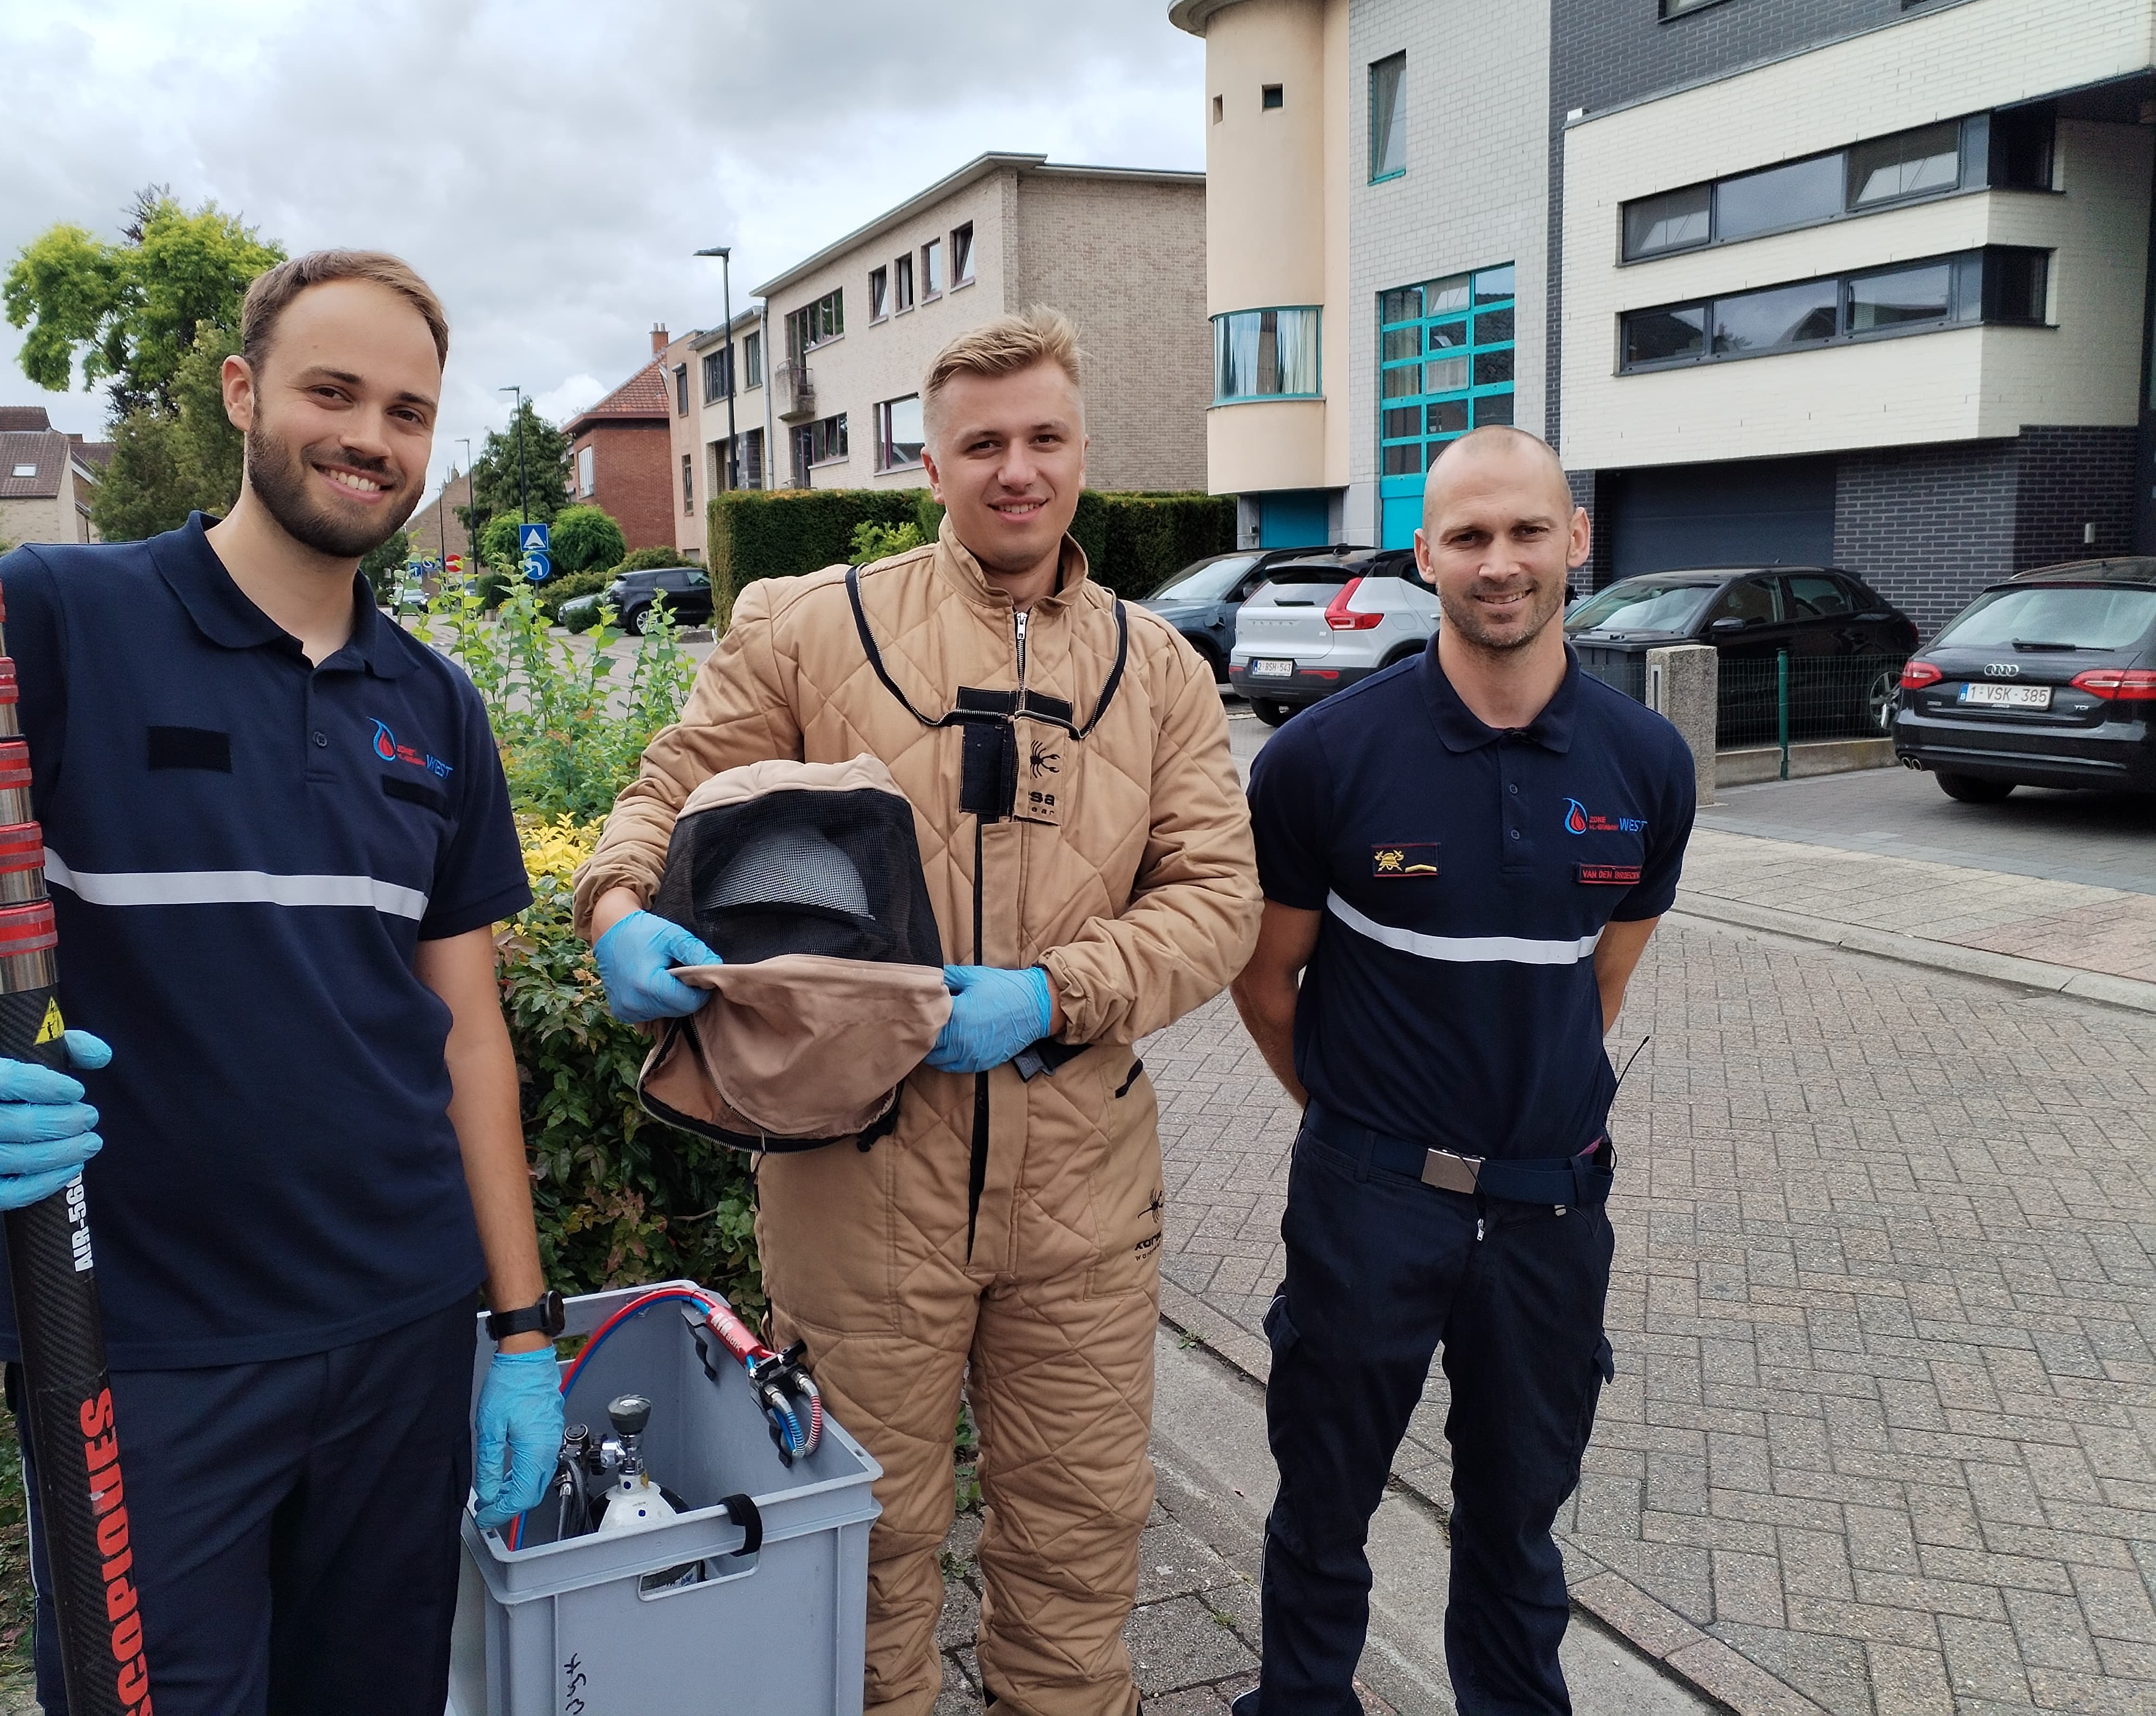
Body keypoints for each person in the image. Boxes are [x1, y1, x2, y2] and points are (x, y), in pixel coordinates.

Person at [0, 251, 567, 1715]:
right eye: (333, 392)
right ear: (244, 394)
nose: (371, 436)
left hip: (399, 1338)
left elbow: (468, 1038)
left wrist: (525, 1330)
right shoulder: (51, 621)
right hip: (137, 1348)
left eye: (407, 411)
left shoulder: (436, 706)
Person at [575, 308, 1261, 1716]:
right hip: (856, 1187)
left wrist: (1054, 993)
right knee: (862, 1546)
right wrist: (618, 912)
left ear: (1084, 454)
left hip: (1081, 1193)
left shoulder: (1166, 675)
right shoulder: (815, 630)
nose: (1019, 469)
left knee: (1078, 1541)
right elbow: (661, 792)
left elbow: (1217, 903)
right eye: (984, 444)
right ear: (931, 463)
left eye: (1046, 439)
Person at [1229, 426, 1695, 1715]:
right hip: (1369, 1200)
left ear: (1577, 540)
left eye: (1528, 532)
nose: (1502, 564)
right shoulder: (1322, 759)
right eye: (1471, 538)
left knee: (1518, 1526)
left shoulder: (1648, 763)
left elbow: (1599, 983)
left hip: (1551, 1209)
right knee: (1324, 1504)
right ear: (1425, 552)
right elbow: (1266, 985)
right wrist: (1359, 1133)